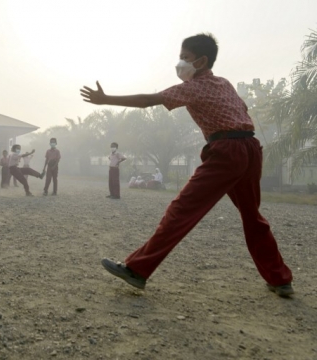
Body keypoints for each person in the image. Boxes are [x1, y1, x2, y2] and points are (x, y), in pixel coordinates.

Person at [80, 33, 293, 297]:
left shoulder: (193, 87)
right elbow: (243, 108)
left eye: (185, 58)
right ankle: (280, 279)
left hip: (226, 150)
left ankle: (137, 269)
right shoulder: (224, 83)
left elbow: (149, 100)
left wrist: (106, 99)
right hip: (250, 148)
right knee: (252, 216)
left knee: (182, 210)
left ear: (201, 61)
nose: (180, 63)